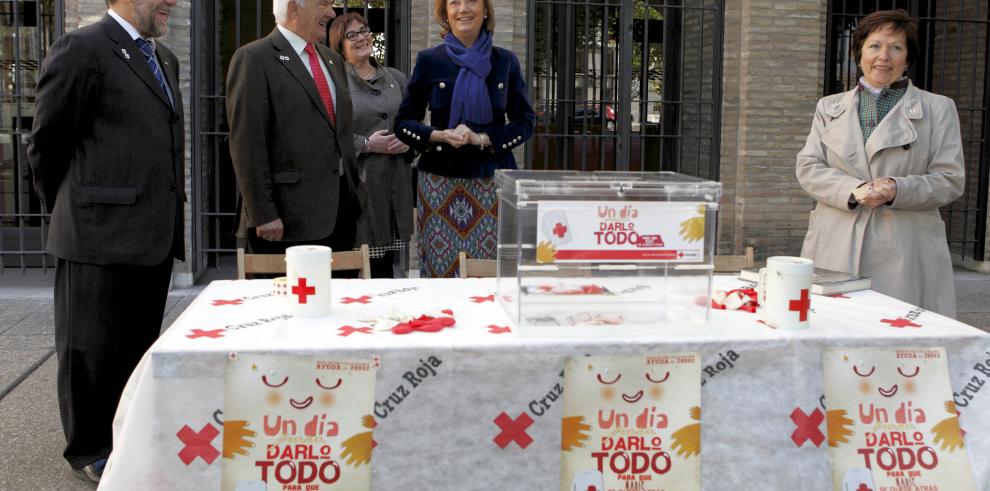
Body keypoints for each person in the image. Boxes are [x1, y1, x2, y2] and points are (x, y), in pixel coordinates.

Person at [27, 0, 184, 485]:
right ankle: (90, 449)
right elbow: (47, 144)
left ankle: (127, 436)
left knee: (134, 351)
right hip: (95, 235)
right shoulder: (82, 47)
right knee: (89, 352)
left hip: (150, 236)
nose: (171, 3)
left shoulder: (165, 59)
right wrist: (76, 209)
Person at [796, 9, 964, 317]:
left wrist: (895, 189)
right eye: (875, 45)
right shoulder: (829, 107)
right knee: (835, 332)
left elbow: (950, 178)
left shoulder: (938, 109)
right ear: (859, 51)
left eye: (896, 47)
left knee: (899, 338)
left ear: (908, 57)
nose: (883, 56)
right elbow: (809, 167)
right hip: (836, 242)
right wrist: (854, 189)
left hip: (905, 249)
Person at [395, 0, 535, 278]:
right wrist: (436, 134)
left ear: (485, 10)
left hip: (492, 184)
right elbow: (403, 123)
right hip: (439, 185)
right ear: (445, 12)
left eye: (471, 1)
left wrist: (481, 138)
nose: (463, 9)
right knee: (440, 272)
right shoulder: (429, 60)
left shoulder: (505, 61)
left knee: (492, 273)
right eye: (454, 2)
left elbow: (525, 122)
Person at [227, 0, 361, 267]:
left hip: (340, 214)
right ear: (293, 8)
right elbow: (247, 143)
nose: (331, 13)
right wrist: (263, 213)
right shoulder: (254, 58)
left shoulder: (332, 59)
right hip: (286, 221)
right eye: (323, 4)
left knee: (338, 303)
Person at [329, 12, 413, 278]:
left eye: (364, 30)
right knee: (349, 270)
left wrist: (407, 140)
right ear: (339, 45)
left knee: (383, 271)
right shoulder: (335, 81)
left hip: (393, 185)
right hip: (354, 189)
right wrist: (366, 143)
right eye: (351, 35)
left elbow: (413, 122)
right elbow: (328, 132)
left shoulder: (396, 78)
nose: (361, 38)